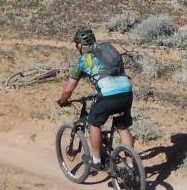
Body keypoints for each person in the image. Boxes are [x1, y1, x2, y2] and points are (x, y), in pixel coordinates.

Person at [57, 28, 135, 175]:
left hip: (108, 94)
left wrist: (63, 100)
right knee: (123, 127)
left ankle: (96, 160)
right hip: (126, 90)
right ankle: (131, 165)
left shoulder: (83, 60)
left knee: (94, 123)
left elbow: (69, 87)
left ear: (80, 46)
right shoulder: (107, 50)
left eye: (77, 46)